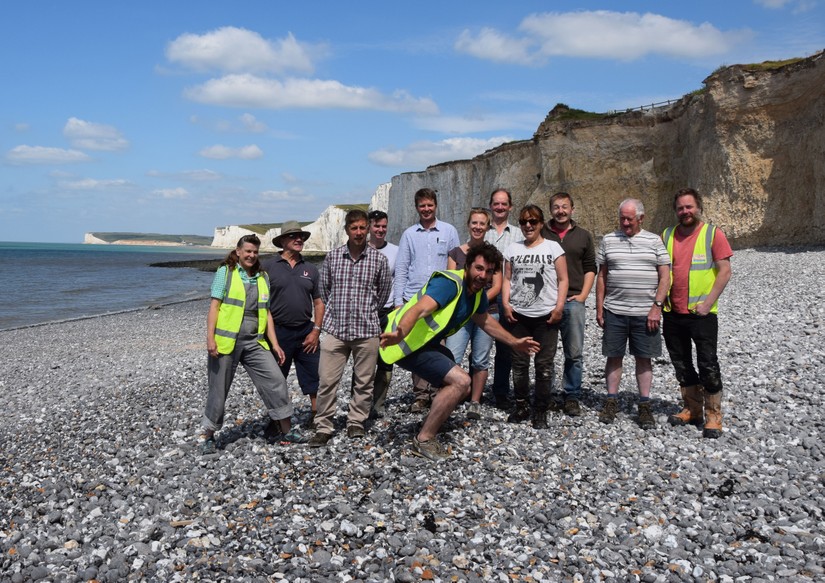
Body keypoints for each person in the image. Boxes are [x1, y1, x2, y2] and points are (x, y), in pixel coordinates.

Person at [380, 243, 540, 461]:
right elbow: (420, 309)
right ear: (468, 266)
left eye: (489, 271)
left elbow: (486, 323)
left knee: (459, 384)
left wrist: (515, 342)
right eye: (479, 268)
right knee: (461, 382)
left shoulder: (477, 295)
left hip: (424, 344)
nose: (483, 275)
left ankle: (434, 418)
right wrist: (400, 333)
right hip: (403, 342)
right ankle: (425, 438)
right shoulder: (449, 284)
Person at [200, 234, 306, 455]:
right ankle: (208, 435)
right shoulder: (225, 273)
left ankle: (285, 430)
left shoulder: (262, 276)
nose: (251, 255)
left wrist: (275, 344)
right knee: (218, 390)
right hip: (226, 340)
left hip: (255, 340)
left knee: (276, 379)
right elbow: (214, 307)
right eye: (247, 251)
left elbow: (266, 313)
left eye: (255, 252)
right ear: (238, 252)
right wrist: (210, 339)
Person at [308, 209, 392, 447]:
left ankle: (356, 421)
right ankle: (323, 425)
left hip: (366, 331)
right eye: (353, 228)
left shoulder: (378, 260)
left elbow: (383, 293)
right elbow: (324, 291)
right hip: (336, 330)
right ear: (346, 230)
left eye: (362, 228)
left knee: (364, 381)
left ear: (368, 229)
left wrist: (367, 311)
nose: (358, 232)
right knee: (326, 381)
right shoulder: (333, 258)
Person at [662, 188, 733, 439]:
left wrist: (707, 303)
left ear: (698, 207)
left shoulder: (712, 234)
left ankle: (714, 415)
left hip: (702, 314)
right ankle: (693, 409)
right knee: (681, 363)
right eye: (681, 208)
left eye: (689, 207)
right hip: (672, 312)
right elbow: (662, 271)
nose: (685, 212)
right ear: (676, 210)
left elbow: (724, 271)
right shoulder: (667, 235)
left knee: (708, 364)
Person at [595, 199, 671, 429]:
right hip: (615, 310)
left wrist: (656, 307)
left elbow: (665, 276)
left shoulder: (654, 241)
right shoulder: (608, 240)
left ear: (641, 218)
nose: (625, 223)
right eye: (622, 218)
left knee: (644, 358)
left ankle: (644, 404)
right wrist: (599, 307)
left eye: (630, 218)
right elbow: (602, 276)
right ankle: (611, 401)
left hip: (645, 313)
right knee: (613, 356)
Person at [393, 188, 460, 412]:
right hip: (414, 299)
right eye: (422, 205)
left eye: (429, 205)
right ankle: (421, 395)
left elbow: (456, 265)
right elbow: (401, 268)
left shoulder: (449, 231)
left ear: (436, 205)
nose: (426, 209)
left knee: (439, 346)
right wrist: (398, 301)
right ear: (417, 207)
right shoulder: (409, 234)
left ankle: (439, 389)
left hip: (441, 300)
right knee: (417, 347)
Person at [502, 205, 569, 429]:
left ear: (541, 223)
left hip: (545, 316)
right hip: (519, 315)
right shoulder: (512, 249)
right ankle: (521, 405)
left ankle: (540, 410)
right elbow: (506, 279)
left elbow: (563, 279)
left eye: (533, 221)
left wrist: (559, 307)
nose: (528, 226)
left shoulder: (553, 247)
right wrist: (505, 303)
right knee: (519, 364)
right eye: (523, 222)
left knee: (544, 365)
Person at [262, 220, 324, 428]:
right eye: (293, 236)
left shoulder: (311, 269)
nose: (299, 239)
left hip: (306, 330)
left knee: (314, 375)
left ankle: (317, 416)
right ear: (282, 241)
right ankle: (276, 420)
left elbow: (318, 302)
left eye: (301, 237)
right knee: (276, 378)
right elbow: (261, 302)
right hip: (278, 332)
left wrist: (316, 330)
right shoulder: (268, 267)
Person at [540, 192, 596, 416]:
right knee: (547, 352)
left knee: (574, 352)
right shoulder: (542, 233)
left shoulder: (583, 236)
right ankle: (549, 393)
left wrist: (583, 296)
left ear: (572, 209)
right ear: (550, 210)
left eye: (564, 207)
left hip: (573, 301)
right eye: (556, 207)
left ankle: (571, 395)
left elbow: (591, 267)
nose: (560, 211)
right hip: (547, 302)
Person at [445, 208, 502, 420]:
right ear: (468, 224)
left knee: (480, 359)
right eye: (474, 223)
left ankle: (475, 402)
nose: (478, 227)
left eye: (482, 224)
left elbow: (497, 285)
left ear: (488, 227)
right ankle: (453, 395)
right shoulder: (456, 253)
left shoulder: (494, 255)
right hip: (460, 313)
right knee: (452, 356)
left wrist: (480, 300)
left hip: (487, 311)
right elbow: (452, 282)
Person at [484, 188, 524, 410]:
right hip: (485, 295)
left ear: (510, 206)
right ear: (491, 205)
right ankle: (475, 391)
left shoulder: (518, 234)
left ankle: (500, 391)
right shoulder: (482, 231)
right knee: (480, 347)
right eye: (496, 203)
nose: (499, 207)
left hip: (511, 296)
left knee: (505, 347)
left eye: (503, 204)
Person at [365, 210, 399, 418]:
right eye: (376, 226)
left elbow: (401, 276)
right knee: (364, 360)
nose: (380, 230)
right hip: (366, 313)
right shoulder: (361, 250)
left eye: (383, 226)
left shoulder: (396, 250)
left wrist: (398, 305)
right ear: (369, 227)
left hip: (388, 311)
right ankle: (359, 402)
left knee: (386, 360)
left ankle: (379, 403)